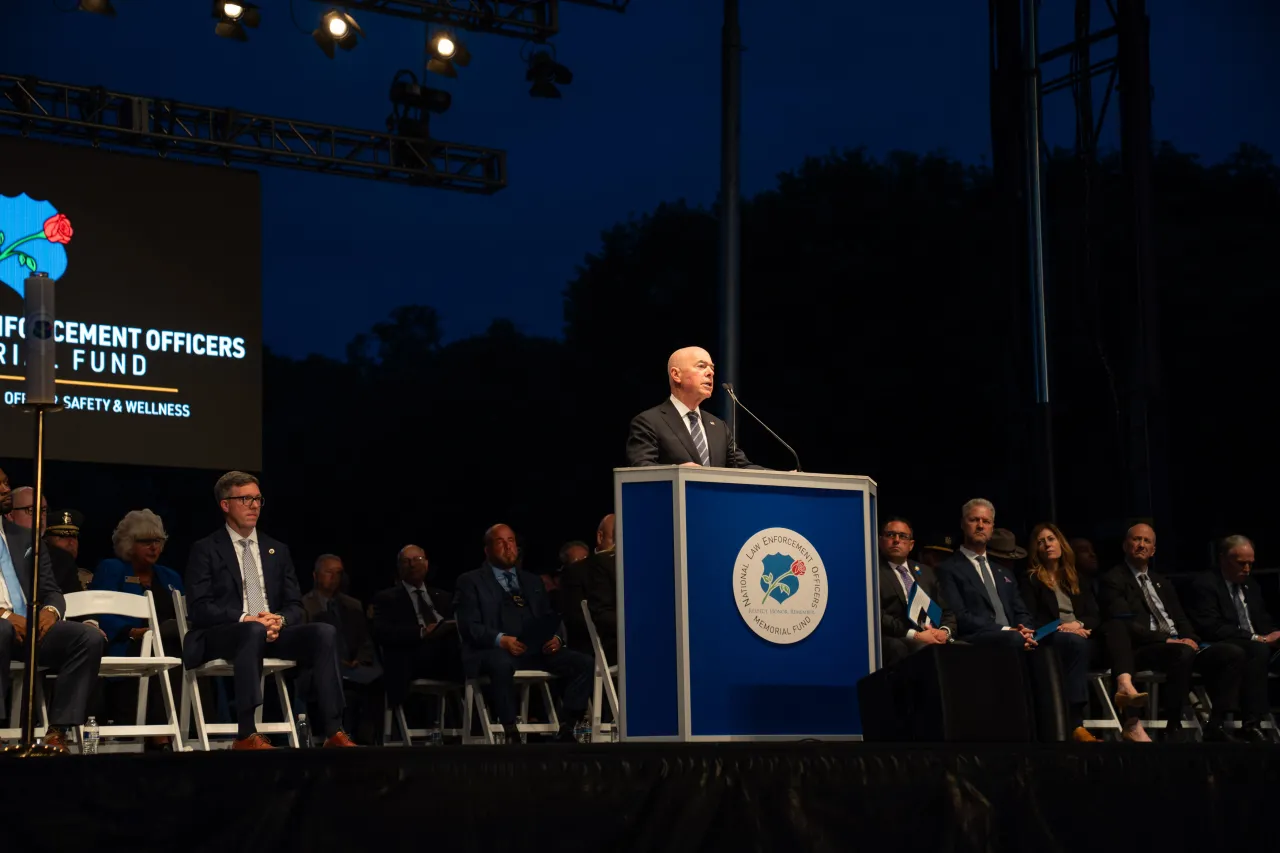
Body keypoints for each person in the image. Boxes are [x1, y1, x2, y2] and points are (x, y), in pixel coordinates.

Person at [184, 471, 356, 750]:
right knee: (251, 630)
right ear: (225, 505)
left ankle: (334, 731)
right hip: (223, 635)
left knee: (324, 632)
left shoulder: (277, 549)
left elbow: (296, 606)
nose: (254, 505)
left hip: (270, 633)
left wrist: (280, 619)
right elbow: (200, 608)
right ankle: (246, 734)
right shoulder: (205, 549)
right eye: (245, 499)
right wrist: (247, 618)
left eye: (258, 499)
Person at [936, 498, 1093, 742]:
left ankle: (1075, 723)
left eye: (985, 521)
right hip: (979, 636)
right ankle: (1031, 729)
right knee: (1014, 641)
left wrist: (1027, 630)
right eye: (974, 520)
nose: (980, 525)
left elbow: (1022, 612)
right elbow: (960, 616)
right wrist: (1010, 630)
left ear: (992, 527)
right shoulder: (949, 569)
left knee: (1073, 642)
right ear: (963, 524)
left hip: (1017, 635)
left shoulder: (1003, 572)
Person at [1098, 522, 1245, 742]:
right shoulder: (1114, 579)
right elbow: (1125, 625)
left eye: (1147, 541)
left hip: (1177, 646)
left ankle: (1216, 725)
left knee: (1232, 654)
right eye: (1136, 539)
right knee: (1181, 654)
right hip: (1143, 648)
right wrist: (1167, 640)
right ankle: (1172, 725)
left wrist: (1191, 639)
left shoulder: (1161, 582)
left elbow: (1181, 619)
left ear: (1154, 550)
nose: (1141, 544)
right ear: (1125, 545)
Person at [455, 523, 594, 743]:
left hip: (535, 650)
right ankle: (510, 730)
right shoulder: (470, 581)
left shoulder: (532, 581)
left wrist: (557, 638)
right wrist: (502, 640)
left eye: (511, 541)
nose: (508, 547)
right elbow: (469, 626)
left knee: (585, 662)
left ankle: (567, 725)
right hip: (494, 650)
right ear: (487, 550)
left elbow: (550, 616)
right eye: (500, 542)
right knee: (501, 663)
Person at [0, 466, 105, 753]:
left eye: (6, 482)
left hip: (32, 628)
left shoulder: (25, 537)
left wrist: (49, 611)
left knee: (87, 637)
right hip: (3, 626)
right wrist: (8, 617)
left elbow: (51, 589)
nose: (4, 489)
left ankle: (58, 730)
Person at [1021, 523, 1150, 742]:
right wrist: (1062, 626)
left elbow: (1094, 616)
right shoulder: (1031, 580)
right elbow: (1032, 619)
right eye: (1040, 542)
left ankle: (1126, 690)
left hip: (1081, 634)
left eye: (1051, 539)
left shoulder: (1077, 578)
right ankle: (1076, 724)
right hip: (1054, 640)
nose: (1047, 545)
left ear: (1061, 543)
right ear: (1036, 549)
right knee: (1075, 644)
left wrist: (1078, 623)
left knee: (1116, 629)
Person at [90, 509, 185, 749]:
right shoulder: (112, 569)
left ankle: (184, 728)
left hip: (170, 644)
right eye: (145, 542)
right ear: (129, 544)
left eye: (158, 541)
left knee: (184, 646)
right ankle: (160, 733)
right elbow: (99, 611)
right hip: (128, 647)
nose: (154, 547)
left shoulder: (169, 575)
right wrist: (132, 632)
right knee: (157, 646)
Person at [1184, 534, 1278, 742]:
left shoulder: (1251, 586)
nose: (1247, 569)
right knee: (1255, 650)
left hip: (1255, 645)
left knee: (1262, 650)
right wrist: (1258, 638)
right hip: (1218, 646)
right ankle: (1250, 722)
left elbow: (1262, 621)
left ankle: (1255, 719)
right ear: (1223, 560)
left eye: (1250, 564)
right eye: (1241, 563)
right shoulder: (1205, 585)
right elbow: (1212, 627)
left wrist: (1274, 634)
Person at [626, 346, 761, 468]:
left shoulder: (719, 427)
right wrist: (677, 471)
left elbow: (742, 468)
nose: (710, 373)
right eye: (701, 366)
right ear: (676, 375)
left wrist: (780, 478)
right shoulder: (648, 422)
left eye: (712, 368)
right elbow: (641, 468)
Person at [303, 554, 383, 746]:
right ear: (315, 575)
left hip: (353, 667)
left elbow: (365, 641)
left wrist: (360, 659)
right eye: (329, 572)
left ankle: (372, 741)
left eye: (338, 573)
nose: (334, 577)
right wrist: (337, 662)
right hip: (322, 669)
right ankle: (340, 738)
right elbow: (306, 646)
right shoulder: (304, 605)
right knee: (343, 688)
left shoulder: (352, 605)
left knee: (378, 678)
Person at [371, 545, 461, 713]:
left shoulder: (443, 597)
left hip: (447, 654)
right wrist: (421, 632)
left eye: (417, 560)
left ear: (426, 564)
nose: (412, 565)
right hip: (413, 656)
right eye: (406, 561)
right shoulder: (386, 598)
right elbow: (382, 633)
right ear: (399, 567)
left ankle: (479, 722)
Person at [877, 516, 955, 667]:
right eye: (890, 535)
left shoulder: (926, 572)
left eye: (903, 536)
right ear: (880, 541)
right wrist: (916, 635)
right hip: (897, 636)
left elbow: (947, 610)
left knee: (964, 648)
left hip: (932, 633)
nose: (896, 540)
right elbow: (876, 614)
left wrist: (944, 631)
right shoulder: (872, 571)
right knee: (910, 649)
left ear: (911, 545)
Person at [562, 514, 618, 661]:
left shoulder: (633, 568)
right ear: (600, 537)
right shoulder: (577, 571)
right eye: (616, 538)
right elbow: (577, 619)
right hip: (601, 645)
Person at [45, 509, 90, 593]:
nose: (71, 542)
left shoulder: (87, 578)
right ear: (47, 539)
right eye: (62, 536)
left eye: (74, 536)